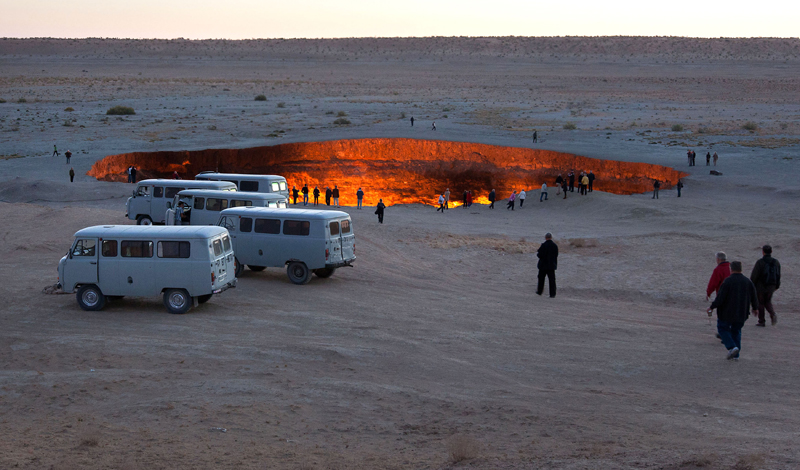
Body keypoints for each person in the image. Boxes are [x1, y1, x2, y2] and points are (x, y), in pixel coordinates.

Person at [707, 261, 758, 360]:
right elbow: (754, 296)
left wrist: (712, 307)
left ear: (731, 269)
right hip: (742, 312)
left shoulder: (728, 281)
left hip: (727, 312)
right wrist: (755, 308)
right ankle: (736, 355)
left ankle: (732, 347)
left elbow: (720, 297)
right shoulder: (747, 281)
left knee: (722, 328)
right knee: (736, 331)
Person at [750, 245, 781, 327]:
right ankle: (772, 314)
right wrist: (776, 286)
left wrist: (751, 285)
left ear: (763, 252)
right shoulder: (776, 262)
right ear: (771, 252)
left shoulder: (760, 262)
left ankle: (761, 321)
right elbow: (778, 275)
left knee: (761, 303)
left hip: (761, 286)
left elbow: (754, 276)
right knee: (768, 301)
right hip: (772, 286)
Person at [536, 233, 558, 298]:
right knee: (552, 280)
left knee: (541, 279)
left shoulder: (543, 245)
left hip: (543, 265)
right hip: (551, 266)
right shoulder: (555, 246)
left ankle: (539, 291)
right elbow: (556, 255)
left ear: (546, 237)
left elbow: (539, 255)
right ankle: (552, 294)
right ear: (551, 237)